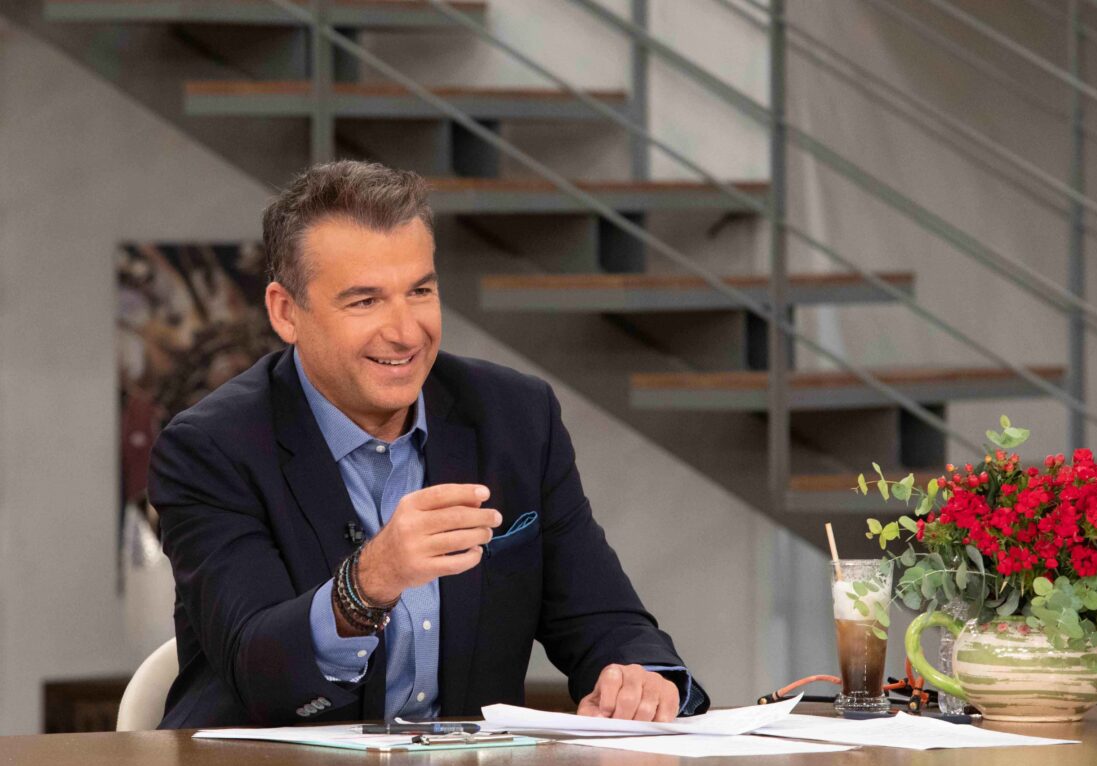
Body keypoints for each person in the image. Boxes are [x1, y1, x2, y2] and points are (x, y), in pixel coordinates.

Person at [149, 160, 708, 728]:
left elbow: (603, 617)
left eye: (420, 291)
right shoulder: (211, 449)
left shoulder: (516, 418)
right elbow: (256, 668)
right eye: (365, 301)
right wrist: (367, 584)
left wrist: (638, 676)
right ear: (286, 312)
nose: (405, 332)